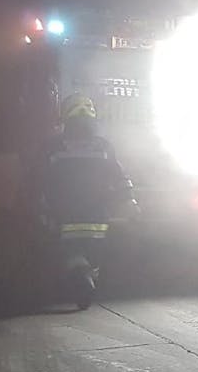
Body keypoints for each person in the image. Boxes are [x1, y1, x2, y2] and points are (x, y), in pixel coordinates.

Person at [36, 95, 136, 288]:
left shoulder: (52, 147)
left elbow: (39, 179)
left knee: (68, 254)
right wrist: (129, 200)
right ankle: (88, 277)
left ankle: (76, 275)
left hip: (63, 218)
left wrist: (37, 206)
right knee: (93, 258)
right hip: (98, 220)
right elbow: (119, 176)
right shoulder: (104, 146)